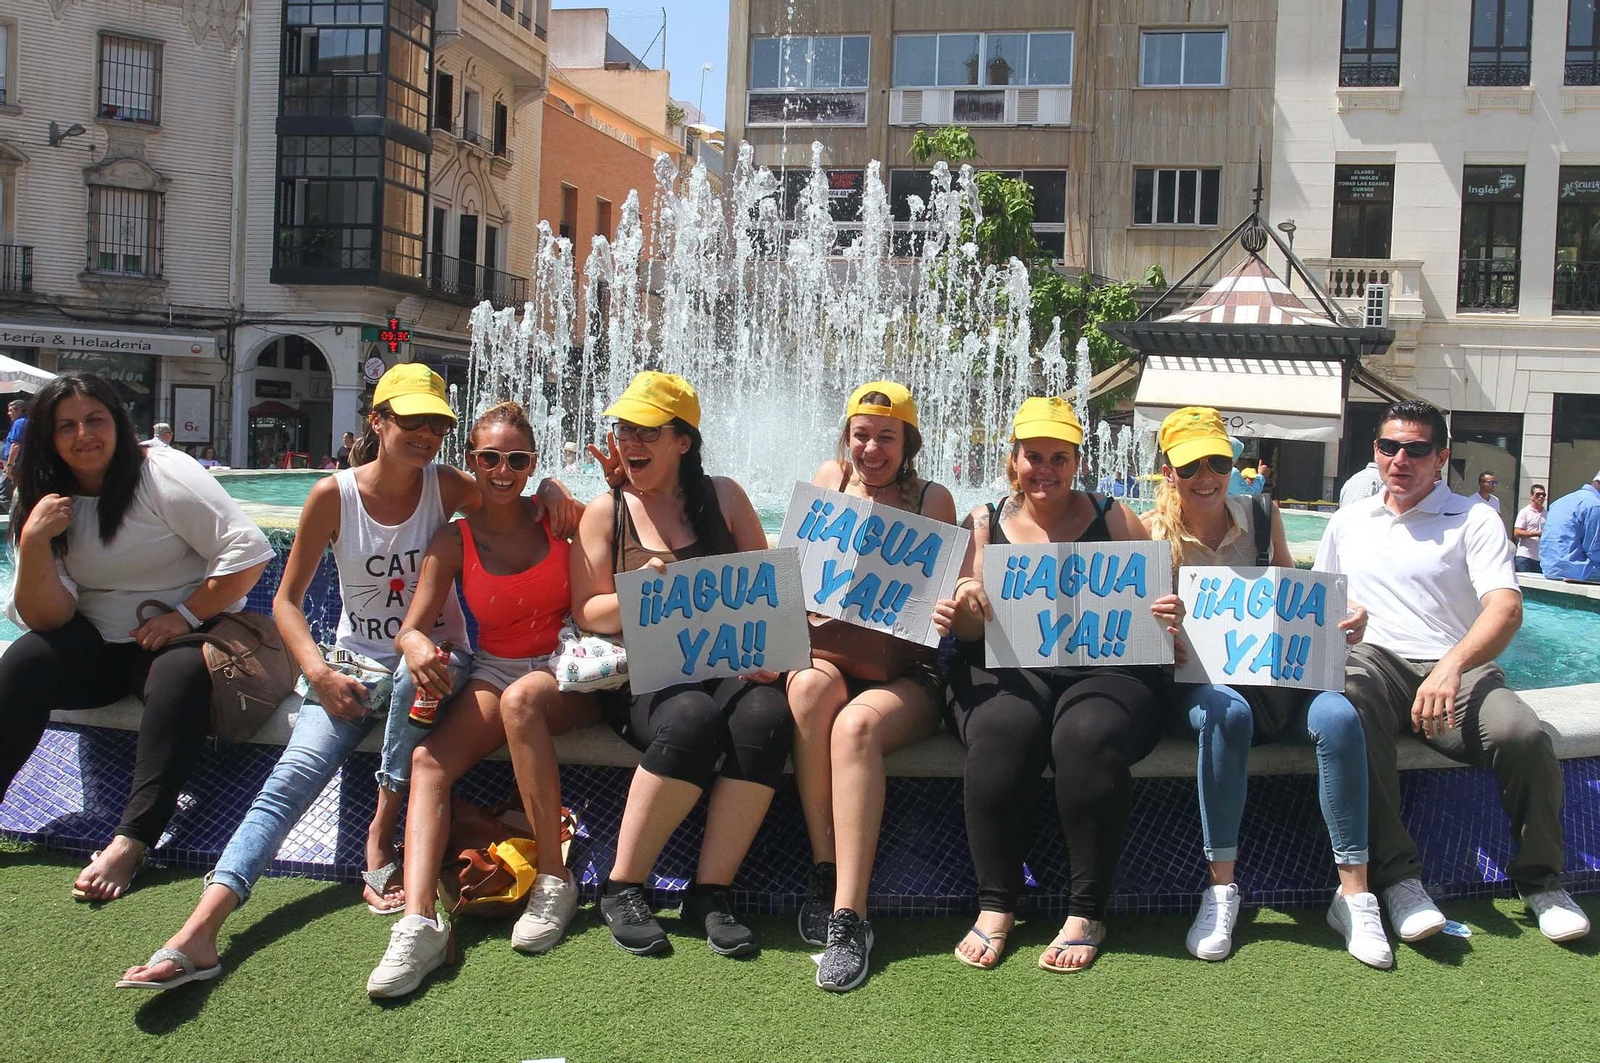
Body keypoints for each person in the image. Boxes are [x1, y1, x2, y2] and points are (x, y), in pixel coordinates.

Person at [117, 365, 572, 991]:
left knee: (420, 675)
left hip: (437, 664)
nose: (424, 434)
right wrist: (317, 671)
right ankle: (199, 932)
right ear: (377, 421)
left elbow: (507, 492)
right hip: (352, 666)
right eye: (409, 420)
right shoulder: (334, 496)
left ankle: (381, 829)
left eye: (436, 423)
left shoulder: (448, 488)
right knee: (290, 780)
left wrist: (550, 485)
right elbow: (286, 600)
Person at [1317, 401, 1589, 947]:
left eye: (1417, 449)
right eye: (1389, 447)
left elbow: (1506, 609)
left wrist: (1450, 666)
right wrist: (1342, 623)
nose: (1400, 459)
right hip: (1376, 662)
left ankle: (1541, 880)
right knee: (1345, 700)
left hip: (1454, 666)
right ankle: (1399, 879)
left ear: (1440, 457)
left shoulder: (1473, 517)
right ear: (1375, 452)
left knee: (1522, 734)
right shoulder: (1347, 522)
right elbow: (1321, 605)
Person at [933, 397, 1184, 976]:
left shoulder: (1115, 515)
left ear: (1077, 461)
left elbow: (1156, 605)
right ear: (1012, 460)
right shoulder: (984, 524)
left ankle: (1086, 911)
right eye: (1032, 456)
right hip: (1008, 669)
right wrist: (969, 606)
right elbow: (970, 633)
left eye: (1058, 457)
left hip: (1106, 672)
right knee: (1002, 728)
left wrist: (1169, 610)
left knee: (1087, 733)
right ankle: (996, 904)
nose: (1044, 469)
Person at [0, 372, 272, 902]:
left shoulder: (162, 473)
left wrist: (185, 616)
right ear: (48, 437)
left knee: (180, 674)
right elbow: (48, 617)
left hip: (175, 634)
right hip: (95, 647)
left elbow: (248, 552)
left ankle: (133, 840)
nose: (84, 435)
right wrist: (34, 543)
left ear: (118, 423)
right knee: (24, 659)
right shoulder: (39, 493)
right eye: (67, 426)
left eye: (95, 420)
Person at [1141, 406, 1388, 969]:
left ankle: (1354, 895)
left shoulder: (1259, 512)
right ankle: (1221, 889)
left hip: (1275, 683)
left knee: (1341, 717)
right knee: (1228, 715)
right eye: (1190, 465)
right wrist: (1159, 623)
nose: (1205, 475)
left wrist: (1340, 617)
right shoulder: (1147, 532)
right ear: (1167, 470)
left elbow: (1289, 593)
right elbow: (1133, 632)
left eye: (1218, 461)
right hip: (1203, 687)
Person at [367, 401, 592, 999]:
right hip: (499, 670)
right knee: (426, 762)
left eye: (517, 460)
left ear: (532, 464)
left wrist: (561, 490)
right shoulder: (455, 537)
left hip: (571, 670)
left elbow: (624, 543)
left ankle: (554, 879)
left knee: (523, 702)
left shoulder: (561, 518)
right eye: (489, 457)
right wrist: (415, 647)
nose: (502, 469)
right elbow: (411, 626)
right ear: (470, 460)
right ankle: (418, 925)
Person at [570, 371, 791, 959]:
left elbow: (766, 588)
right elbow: (588, 610)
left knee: (767, 714)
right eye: (622, 428)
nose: (629, 441)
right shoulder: (605, 511)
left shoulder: (725, 497)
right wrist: (633, 593)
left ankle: (709, 891)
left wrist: (769, 654)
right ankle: (622, 885)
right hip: (645, 677)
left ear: (683, 441)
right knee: (691, 715)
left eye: (646, 430)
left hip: (722, 667)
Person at [783, 381, 957, 993]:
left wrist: (950, 607)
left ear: (907, 442)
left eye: (886, 436)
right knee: (806, 691)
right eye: (862, 434)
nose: (872, 448)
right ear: (846, 436)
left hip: (907, 672)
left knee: (855, 726)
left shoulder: (933, 499)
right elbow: (791, 572)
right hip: (833, 653)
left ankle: (849, 916)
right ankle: (822, 865)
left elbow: (944, 600)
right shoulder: (828, 479)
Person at [1539, 472, 1600, 582]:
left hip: (1549, 569)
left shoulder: (1559, 502)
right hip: (1577, 571)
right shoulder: (1595, 505)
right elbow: (1595, 551)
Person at [1, 396, 29, 507]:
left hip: (16, 463)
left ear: (20, 410)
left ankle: (16, 518)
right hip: (23, 462)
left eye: (11, 410)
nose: (8, 413)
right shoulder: (28, 421)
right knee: (20, 491)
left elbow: (16, 445)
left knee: (3, 494)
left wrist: (10, 465)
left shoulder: (19, 423)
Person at [1513, 485, 1547, 575]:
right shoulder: (1525, 512)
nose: (1541, 497)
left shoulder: (1546, 514)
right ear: (1532, 496)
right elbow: (1517, 532)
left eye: (1543, 495)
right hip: (1525, 556)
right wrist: (1535, 534)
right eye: (1538, 494)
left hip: (1540, 558)